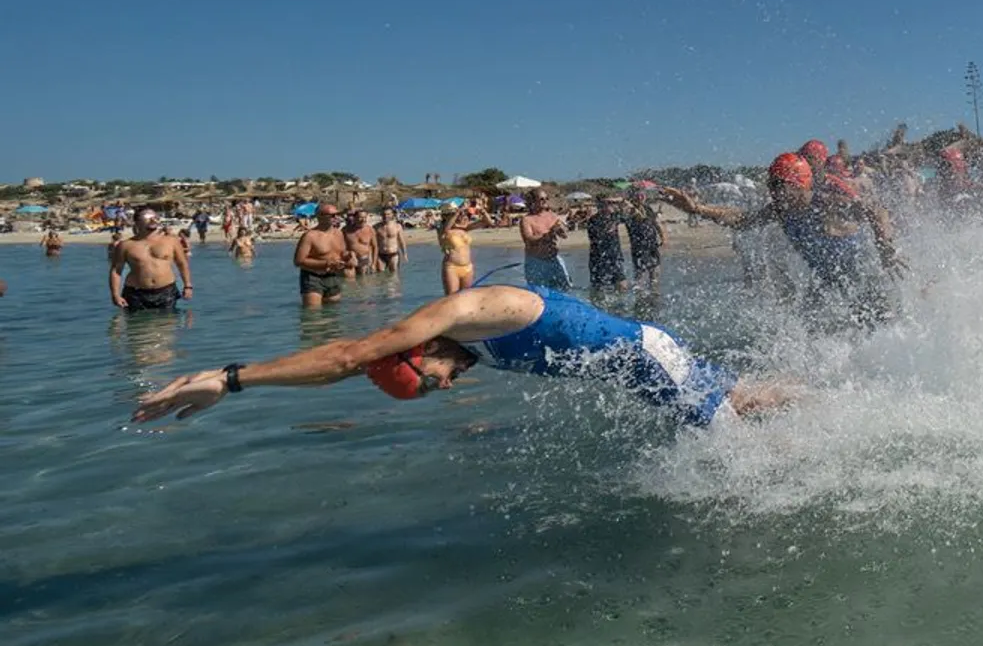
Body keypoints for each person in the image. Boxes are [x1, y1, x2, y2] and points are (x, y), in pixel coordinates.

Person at [130, 285, 799, 430]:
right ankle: (853, 407)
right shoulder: (468, 336)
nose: (444, 389)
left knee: (729, 449)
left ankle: (823, 470)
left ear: (420, 354)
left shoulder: (463, 315)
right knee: (744, 403)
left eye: (428, 384)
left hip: (646, 359)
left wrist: (231, 378)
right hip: (646, 360)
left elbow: (347, 355)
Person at [659, 154, 905, 330]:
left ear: (800, 185)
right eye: (771, 185)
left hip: (863, 278)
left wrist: (886, 248)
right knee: (807, 327)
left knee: (879, 327)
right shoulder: (780, 210)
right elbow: (742, 219)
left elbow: (877, 210)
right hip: (826, 281)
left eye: (780, 186)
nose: (773, 192)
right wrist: (696, 208)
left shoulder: (825, 203)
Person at [109, 206, 193, 312]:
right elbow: (116, 271)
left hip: (166, 291)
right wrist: (115, 295)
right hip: (135, 293)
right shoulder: (125, 245)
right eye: (147, 217)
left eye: (155, 217)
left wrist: (188, 286)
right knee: (136, 327)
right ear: (137, 222)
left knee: (166, 325)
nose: (153, 219)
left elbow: (182, 264)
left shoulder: (171, 241)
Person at [294, 204, 352, 307]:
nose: (336, 217)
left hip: (332, 276)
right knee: (313, 315)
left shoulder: (339, 234)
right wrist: (326, 263)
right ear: (320, 216)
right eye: (332, 215)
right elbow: (298, 261)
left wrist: (350, 256)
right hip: (313, 277)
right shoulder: (310, 236)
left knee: (332, 313)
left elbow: (342, 252)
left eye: (337, 214)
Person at [519, 188, 572, 290]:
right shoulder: (526, 220)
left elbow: (564, 236)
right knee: (539, 294)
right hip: (536, 262)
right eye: (542, 199)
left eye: (546, 198)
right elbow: (528, 240)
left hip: (554, 259)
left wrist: (561, 229)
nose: (545, 201)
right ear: (533, 202)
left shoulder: (552, 216)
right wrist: (547, 235)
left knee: (565, 289)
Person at [586, 196, 631, 292]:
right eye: (605, 204)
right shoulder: (593, 220)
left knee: (622, 286)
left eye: (610, 204)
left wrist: (618, 200)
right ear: (599, 206)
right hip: (598, 259)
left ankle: (618, 305)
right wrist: (608, 229)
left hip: (615, 256)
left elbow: (628, 207)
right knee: (598, 288)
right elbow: (594, 238)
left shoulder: (614, 216)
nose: (609, 206)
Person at [628, 193, 666, 297]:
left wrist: (663, 237)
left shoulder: (648, 209)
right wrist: (634, 211)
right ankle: (638, 291)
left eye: (642, 196)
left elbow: (655, 223)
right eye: (638, 196)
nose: (640, 198)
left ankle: (653, 290)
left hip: (652, 244)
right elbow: (633, 217)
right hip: (638, 246)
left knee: (654, 269)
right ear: (634, 198)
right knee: (639, 271)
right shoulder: (630, 210)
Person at [438, 208, 475, 294]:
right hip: (452, 267)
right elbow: (446, 228)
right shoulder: (442, 229)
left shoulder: (463, 228)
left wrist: (483, 212)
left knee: (465, 296)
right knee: (451, 297)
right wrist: (457, 213)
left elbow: (486, 223)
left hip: (468, 267)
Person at [342, 209, 378, 278]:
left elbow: (375, 247)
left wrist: (374, 263)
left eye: (365, 217)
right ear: (355, 218)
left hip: (364, 259)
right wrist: (349, 254)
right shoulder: (346, 230)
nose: (363, 219)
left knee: (363, 281)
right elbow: (340, 246)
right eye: (360, 217)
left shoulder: (370, 230)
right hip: (350, 259)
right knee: (349, 279)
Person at [374, 206, 407, 274]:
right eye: (384, 214)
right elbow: (372, 243)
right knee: (380, 273)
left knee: (394, 274)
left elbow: (401, 241)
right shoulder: (376, 227)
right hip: (381, 254)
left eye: (388, 214)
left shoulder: (397, 226)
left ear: (392, 215)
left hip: (393, 254)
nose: (386, 216)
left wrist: (405, 254)